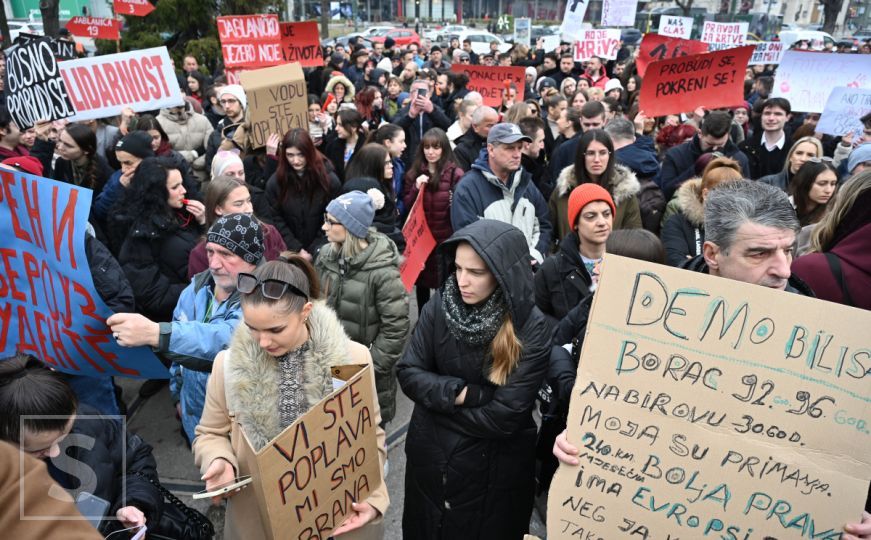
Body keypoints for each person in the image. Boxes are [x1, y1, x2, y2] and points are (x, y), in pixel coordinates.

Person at [192, 254, 389, 539]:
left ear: (305, 312)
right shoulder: (227, 365)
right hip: (258, 524)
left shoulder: (349, 360)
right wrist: (219, 460)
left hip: (340, 519)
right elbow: (210, 432)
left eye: (276, 330)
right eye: (252, 328)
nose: (263, 342)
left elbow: (369, 433)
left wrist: (373, 498)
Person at [397, 219, 550, 539]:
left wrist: (434, 405)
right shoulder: (440, 303)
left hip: (494, 477)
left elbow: (503, 418)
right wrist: (465, 394)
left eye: (476, 273)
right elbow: (409, 373)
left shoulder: (530, 328)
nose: (463, 281)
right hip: (431, 466)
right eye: (458, 269)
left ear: (503, 274)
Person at [0, 354, 161, 536]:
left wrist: (132, 502)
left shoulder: (88, 422)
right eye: (39, 449)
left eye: (65, 435)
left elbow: (136, 459)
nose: (55, 452)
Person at [315, 191, 409, 425]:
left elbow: (395, 331)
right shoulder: (326, 256)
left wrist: (362, 369)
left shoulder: (383, 272)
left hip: (366, 379)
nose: (324, 227)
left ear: (350, 228)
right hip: (326, 371)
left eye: (330, 221)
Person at [114, 157, 206, 323]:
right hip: (174, 322)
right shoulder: (139, 236)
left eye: (182, 183)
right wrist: (202, 290)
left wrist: (203, 223)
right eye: (175, 187)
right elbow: (154, 297)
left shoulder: (181, 215)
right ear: (156, 192)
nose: (184, 190)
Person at [451, 123, 552, 265]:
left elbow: (544, 225)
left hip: (527, 277)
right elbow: (467, 239)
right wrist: (508, 267)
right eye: (510, 148)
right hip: (489, 279)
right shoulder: (467, 189)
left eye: (519, 147)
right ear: (491, 149)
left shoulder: (526, 183)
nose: (517, 154)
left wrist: (533, 256)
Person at [402, 127, 465, 311]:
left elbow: (459, 207)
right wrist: (415, 187)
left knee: (445, 284)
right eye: (427, 147)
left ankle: (443, 322)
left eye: (436, 147)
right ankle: (423, 321)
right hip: (422, 241)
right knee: (421, 286)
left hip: (444, 241)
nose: (431, 152)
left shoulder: (455, 174)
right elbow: (407, 205)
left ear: (444, 149)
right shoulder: (413, 174)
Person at [791, 169, 871, 310]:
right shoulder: (802, 232)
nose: (829, 190)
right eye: (822, 183)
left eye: (833, 184)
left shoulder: (812, 269)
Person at [535, 184, 614, 325]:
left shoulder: (626, 260)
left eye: (607, 214)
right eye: (591, 216)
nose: (602, 222)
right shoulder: (552, 268)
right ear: (576, 223)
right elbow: (536, 315)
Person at [187, 175, 286, 279]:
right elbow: (201, 292)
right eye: (239, 204)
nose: (249, 209)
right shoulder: (201, 254)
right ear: (219, 209)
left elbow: (286, 271)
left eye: (249, 201)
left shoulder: (269, 233)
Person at [550, 128, 642, 240]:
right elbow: (548, 231)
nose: (597, 159)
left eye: (603, 153)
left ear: (610, 155)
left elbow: (634, 238)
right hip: (569, 256)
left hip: (611, 256)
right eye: (590, 153)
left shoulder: (624, 192)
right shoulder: (564, 190)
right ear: (581, 156)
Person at [265, 128, 341, 260]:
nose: (296, 161)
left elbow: (334, 217)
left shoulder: (329, 180)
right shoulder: (276, 183)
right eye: (290, 155)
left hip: (325, 250)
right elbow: (275, 218)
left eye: (301, 155)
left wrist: (315, 249)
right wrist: (296, 249)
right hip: (289, 253)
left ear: (310, 153)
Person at [661, 156, 744, 266]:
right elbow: (677, 264)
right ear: (706, 194)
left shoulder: (747, 227)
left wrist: (695, 263)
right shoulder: (677, 223)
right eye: (724, 194)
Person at [659, 111, 750, 199]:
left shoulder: (739, 158)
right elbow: (666, 193)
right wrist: (696, 169)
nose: (714, 149)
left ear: (728, 135)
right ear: (699, 133)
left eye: (720, 145)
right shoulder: (675, 154)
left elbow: (746, 196)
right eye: (709, 144)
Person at [394, 79, 452, 166]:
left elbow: (448, 126)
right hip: (409, 159)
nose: (419, 94)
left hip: (432, 158)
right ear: (410, 95)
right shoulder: (403, 111)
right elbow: (394, 130)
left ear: (429, 94)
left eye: (423, 91)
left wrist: (432, 111)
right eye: (415, 91)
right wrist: (410, 116)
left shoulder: (436, 110)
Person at [739, 97, 793, 179]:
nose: (771, 118)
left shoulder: (794, 149)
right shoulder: (745, 147)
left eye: (778, 114)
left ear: (787, 117)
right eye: (767, 113)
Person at [758, 135, 824, 191]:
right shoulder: (767, 183)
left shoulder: (821, 189)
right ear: (791, 157)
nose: (803, 159)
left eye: (810, 155)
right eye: (799, 153)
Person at [371, 124, 408, 216]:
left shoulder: (399, 165)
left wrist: (399, 209)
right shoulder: (372, 165)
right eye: (401, 141)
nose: (405, 145)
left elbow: (401, 195)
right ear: (388, 142)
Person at [323, 109, 366, 182]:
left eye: (340, 125)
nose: (336, 128)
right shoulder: (332, 146)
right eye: (336, 124)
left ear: (354, 127)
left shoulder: (366, 147)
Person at [452, 106, 498, 171]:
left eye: (496, 125)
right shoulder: (462, 150)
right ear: (475, 126)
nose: (495, 129)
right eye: (489, 126)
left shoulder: (499, 143)